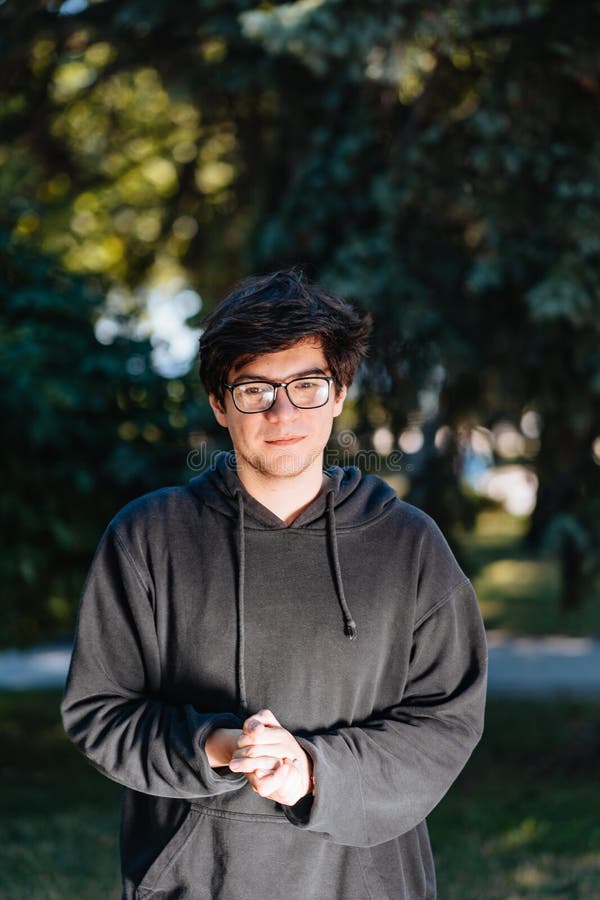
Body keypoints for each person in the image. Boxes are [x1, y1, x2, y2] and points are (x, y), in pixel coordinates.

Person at [62, 269, 487, 900]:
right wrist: (217, 745)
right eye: (255, 389)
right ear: (219, 403)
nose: (283, 412)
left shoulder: (408, 545)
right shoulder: (148, 538)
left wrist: (314, 771)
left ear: (339, 392)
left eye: (307, 385)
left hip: (365, 883)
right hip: (199, 882)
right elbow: (100, 712)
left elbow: (448, 718)